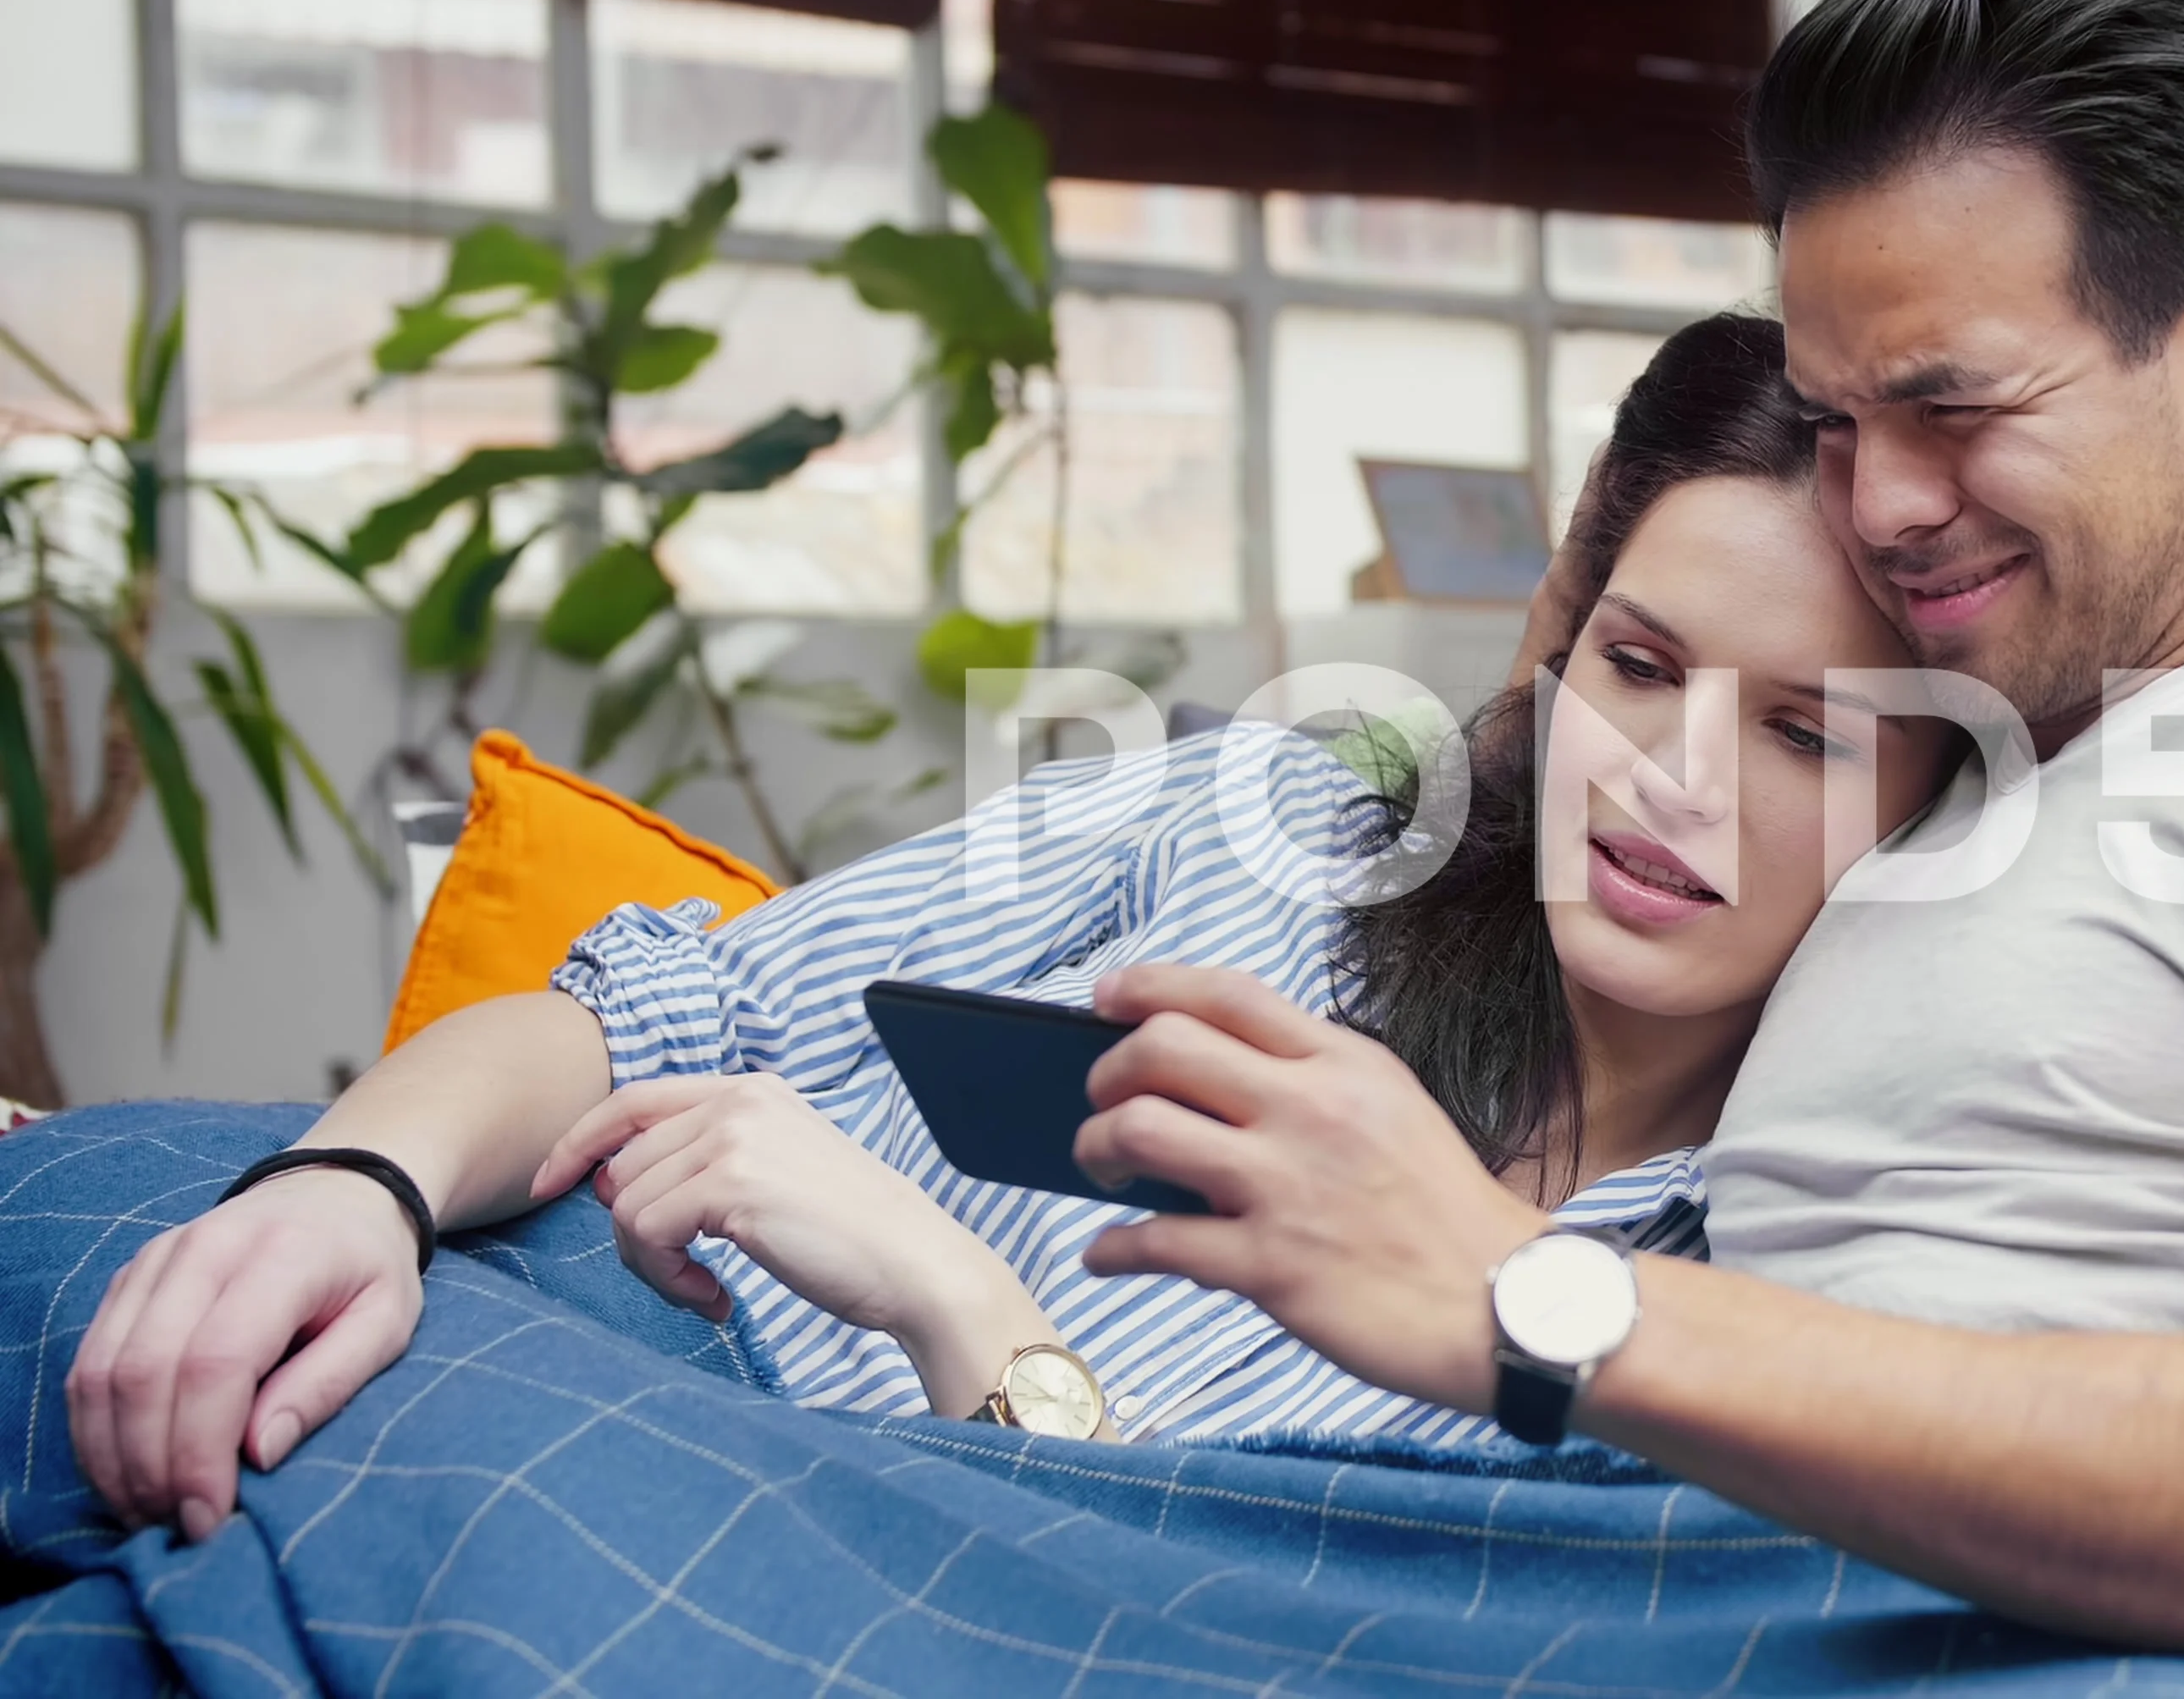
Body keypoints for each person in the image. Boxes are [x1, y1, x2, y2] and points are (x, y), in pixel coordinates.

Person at [1056, 0, 2184, 1699]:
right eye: (1841, 418)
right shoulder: (1946, 782)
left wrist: (1530, 1296)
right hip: (1755, 1604)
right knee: (810, 1482)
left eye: (1951, 405)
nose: (1880, 503)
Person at [62, 316, 1960, 1528]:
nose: (1671, 780)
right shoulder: (1264, 815)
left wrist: (946, 1292)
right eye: (1637, 666)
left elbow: (1163, 1647)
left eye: (1807, 734)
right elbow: (655, 1003)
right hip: (496, 1307)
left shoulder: (1735, 1308)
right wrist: (356, 1187)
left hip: (733, 1569)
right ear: (1558, 643)